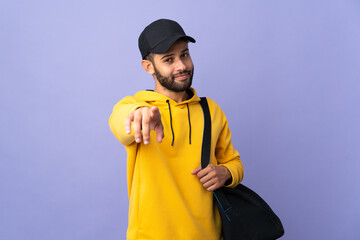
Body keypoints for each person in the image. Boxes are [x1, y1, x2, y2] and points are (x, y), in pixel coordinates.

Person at [109, 19, 244, 240]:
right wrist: (139, 114)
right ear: (148, 66)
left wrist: (226, 173)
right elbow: (121, 123)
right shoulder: (134, 108)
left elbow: (235, 163)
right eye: (168, 59)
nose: (181, 66)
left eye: (184, 54)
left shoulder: (211, 110)